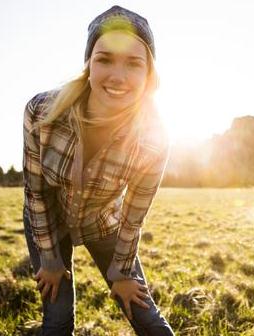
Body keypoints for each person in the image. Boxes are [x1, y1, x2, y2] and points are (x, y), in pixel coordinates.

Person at [22, 6, 174, 335]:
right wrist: (49, 260)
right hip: (49, 221)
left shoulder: (154, 140)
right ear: (89, 65)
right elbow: (35, 193)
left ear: (149, 74)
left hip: (105, 224)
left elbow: (134, 216)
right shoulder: (41, 112)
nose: (117, 76)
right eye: (105, 59)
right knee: (58, 318)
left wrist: (121, 273)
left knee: (145, 316)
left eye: (134, 63)